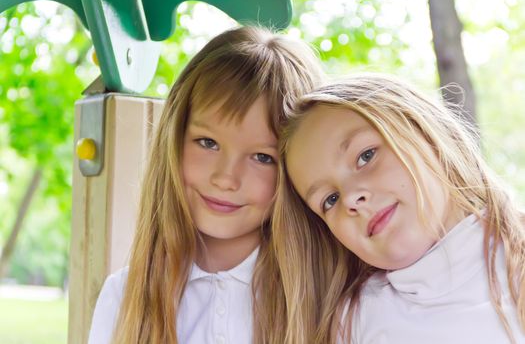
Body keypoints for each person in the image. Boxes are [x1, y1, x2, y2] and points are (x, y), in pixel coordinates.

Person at [87, 26, 323, 344]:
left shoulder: (327, 299)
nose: (226, 178)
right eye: (208, 142)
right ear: (174, 139)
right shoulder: (123, 296)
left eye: (262, 157)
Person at [273, 73, 525, 343]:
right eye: (330, 199)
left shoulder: (516, 261)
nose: (350, 198)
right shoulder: (355, 322)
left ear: (425, 133)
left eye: (365, 156)